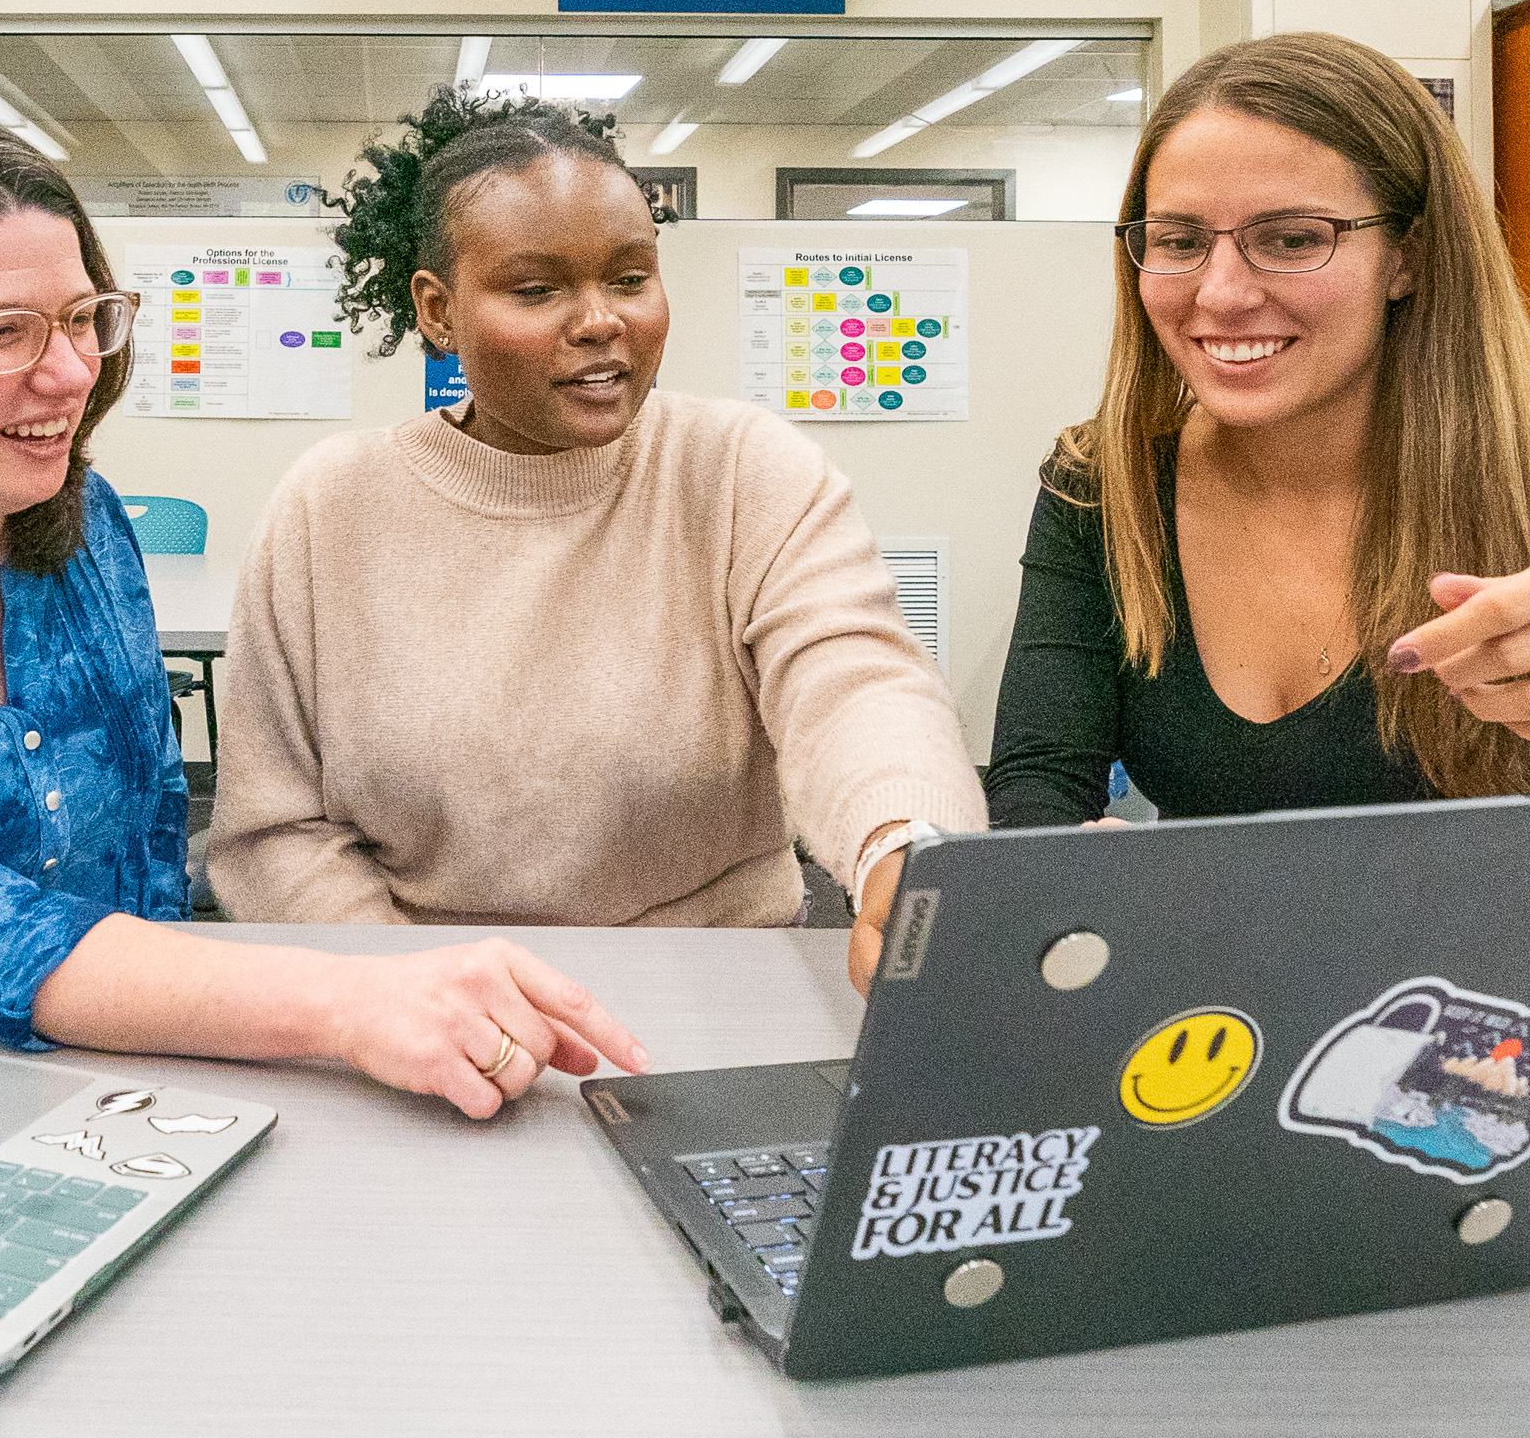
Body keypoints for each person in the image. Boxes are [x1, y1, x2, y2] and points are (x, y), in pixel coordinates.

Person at [0, 116, 645, 1119]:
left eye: (81, 317)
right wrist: (346, 999)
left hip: (118, 1083)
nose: (70, 372)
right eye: (3, 330)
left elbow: (147, 857)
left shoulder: (78, 533)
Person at [981, 31, 1530, 1035]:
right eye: (1178, 240)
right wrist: (1051, 898)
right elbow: (1038, 788)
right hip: (1226, 1036)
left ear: (1411, 255)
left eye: (1291, 237)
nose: (1217, 291)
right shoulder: (1103, 487)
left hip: (1521, 1052)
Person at [209, 105, 983, 978]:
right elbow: (277, 830)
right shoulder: (330, 506)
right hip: (418, 994)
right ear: (437, 309)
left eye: (630, 277)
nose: (599, 320)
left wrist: (904, 841)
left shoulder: (739, 469)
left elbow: (855, 679)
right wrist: (410, 985)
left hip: (718, 979)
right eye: (536, 290)